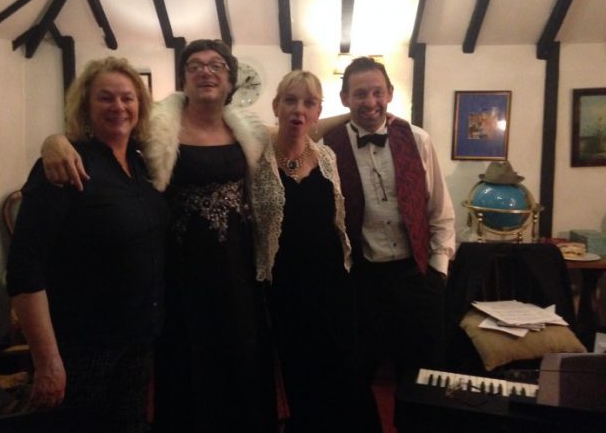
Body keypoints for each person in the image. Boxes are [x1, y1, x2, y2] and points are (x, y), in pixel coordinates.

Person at [41, 40, 276, 433]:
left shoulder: (249, 130)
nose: (205, 71)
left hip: (237, 270)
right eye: (195, 65)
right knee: (187, 362)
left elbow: (299, 129)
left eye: (216, 65)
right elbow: (101, 136)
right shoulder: (155, 128)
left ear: (230, 79)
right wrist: (54, 141)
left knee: (241, 357)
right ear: (183, 78)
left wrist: (359, 116)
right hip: (179, 271)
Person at [6, 56, 169, 432]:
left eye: (127, 98)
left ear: (140, 106)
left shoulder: (142, 165)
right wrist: (47, 361)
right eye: (105, 98)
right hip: (84, 346)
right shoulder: (64, 165)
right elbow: (24, 268)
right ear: (86, 105)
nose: (118, 107)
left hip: (138, 338)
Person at [251, 71, 381, 433]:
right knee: (301, 379)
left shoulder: (326, 157)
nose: (299, 110)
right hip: (284, 292)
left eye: (309, 103)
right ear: (276, 106)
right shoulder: (256, 156)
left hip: (333, 287)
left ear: (318, 111)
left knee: (346, 374)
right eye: (290, 100)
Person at [323, 56, 455, 386]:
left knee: (424, 380)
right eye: (360, 93)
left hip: (417, 276)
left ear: (390, 94)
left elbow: (440, 210)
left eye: (377, 92)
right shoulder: (327, 147)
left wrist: (437, 272)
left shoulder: (418, 139)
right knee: (356, 376)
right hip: (363, 282)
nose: (370, 102)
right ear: (344, 98)